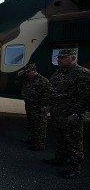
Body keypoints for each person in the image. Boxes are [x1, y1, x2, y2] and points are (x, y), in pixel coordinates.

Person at [43, 49, 90, 179]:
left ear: (73, 58)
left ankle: (74, 168)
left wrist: (76, 113)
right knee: (60, 138)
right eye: (59, 57)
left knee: (73, 142)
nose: (59, 59)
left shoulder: (82, 73)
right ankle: (60, 159)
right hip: (57, 113)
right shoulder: (58, 72)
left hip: (70, 115)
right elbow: (52, 91)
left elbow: (84, 96)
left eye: (63, 57)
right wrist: (49, 105)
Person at [15, 63, 50, 151]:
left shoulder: (43, 81)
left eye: (28, 72)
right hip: (29, 105)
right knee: (31, 124)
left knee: (40, 126)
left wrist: (45, 106)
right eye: (26, 72)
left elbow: (47, 96)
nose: (27, 74)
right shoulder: (27, 79)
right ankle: (31, 139)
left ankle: (40, 145)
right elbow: (17, 83)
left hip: (39, 106)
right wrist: (19, 76)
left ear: (34, 70)